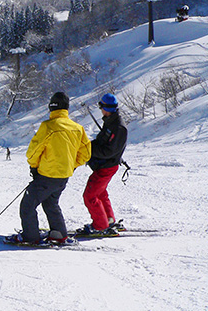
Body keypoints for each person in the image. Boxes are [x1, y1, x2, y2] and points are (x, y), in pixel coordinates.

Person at [7, 92, 91, 245]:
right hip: (63, 176)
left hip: (46, 175)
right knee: (51, 203)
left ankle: (30, 237)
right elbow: (85, 154)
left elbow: (34, 150)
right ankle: (58, 234)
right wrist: (70, 165)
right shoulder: (77, 128)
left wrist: (34, 166)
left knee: (28, 205)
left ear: (51, 107)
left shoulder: (48, 126)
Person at [78, 93, 128, 235]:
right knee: (100, 193)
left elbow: (109, 151)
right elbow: (101, 142)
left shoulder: (118, 127)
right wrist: (87, 145)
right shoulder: (110, 122)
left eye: (101, 107)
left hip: (107, 166)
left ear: (105, 108)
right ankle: (109, 219)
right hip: (105, 165)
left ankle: (100, 226)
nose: (101, 111)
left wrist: (89, 150)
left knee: (90, 195)